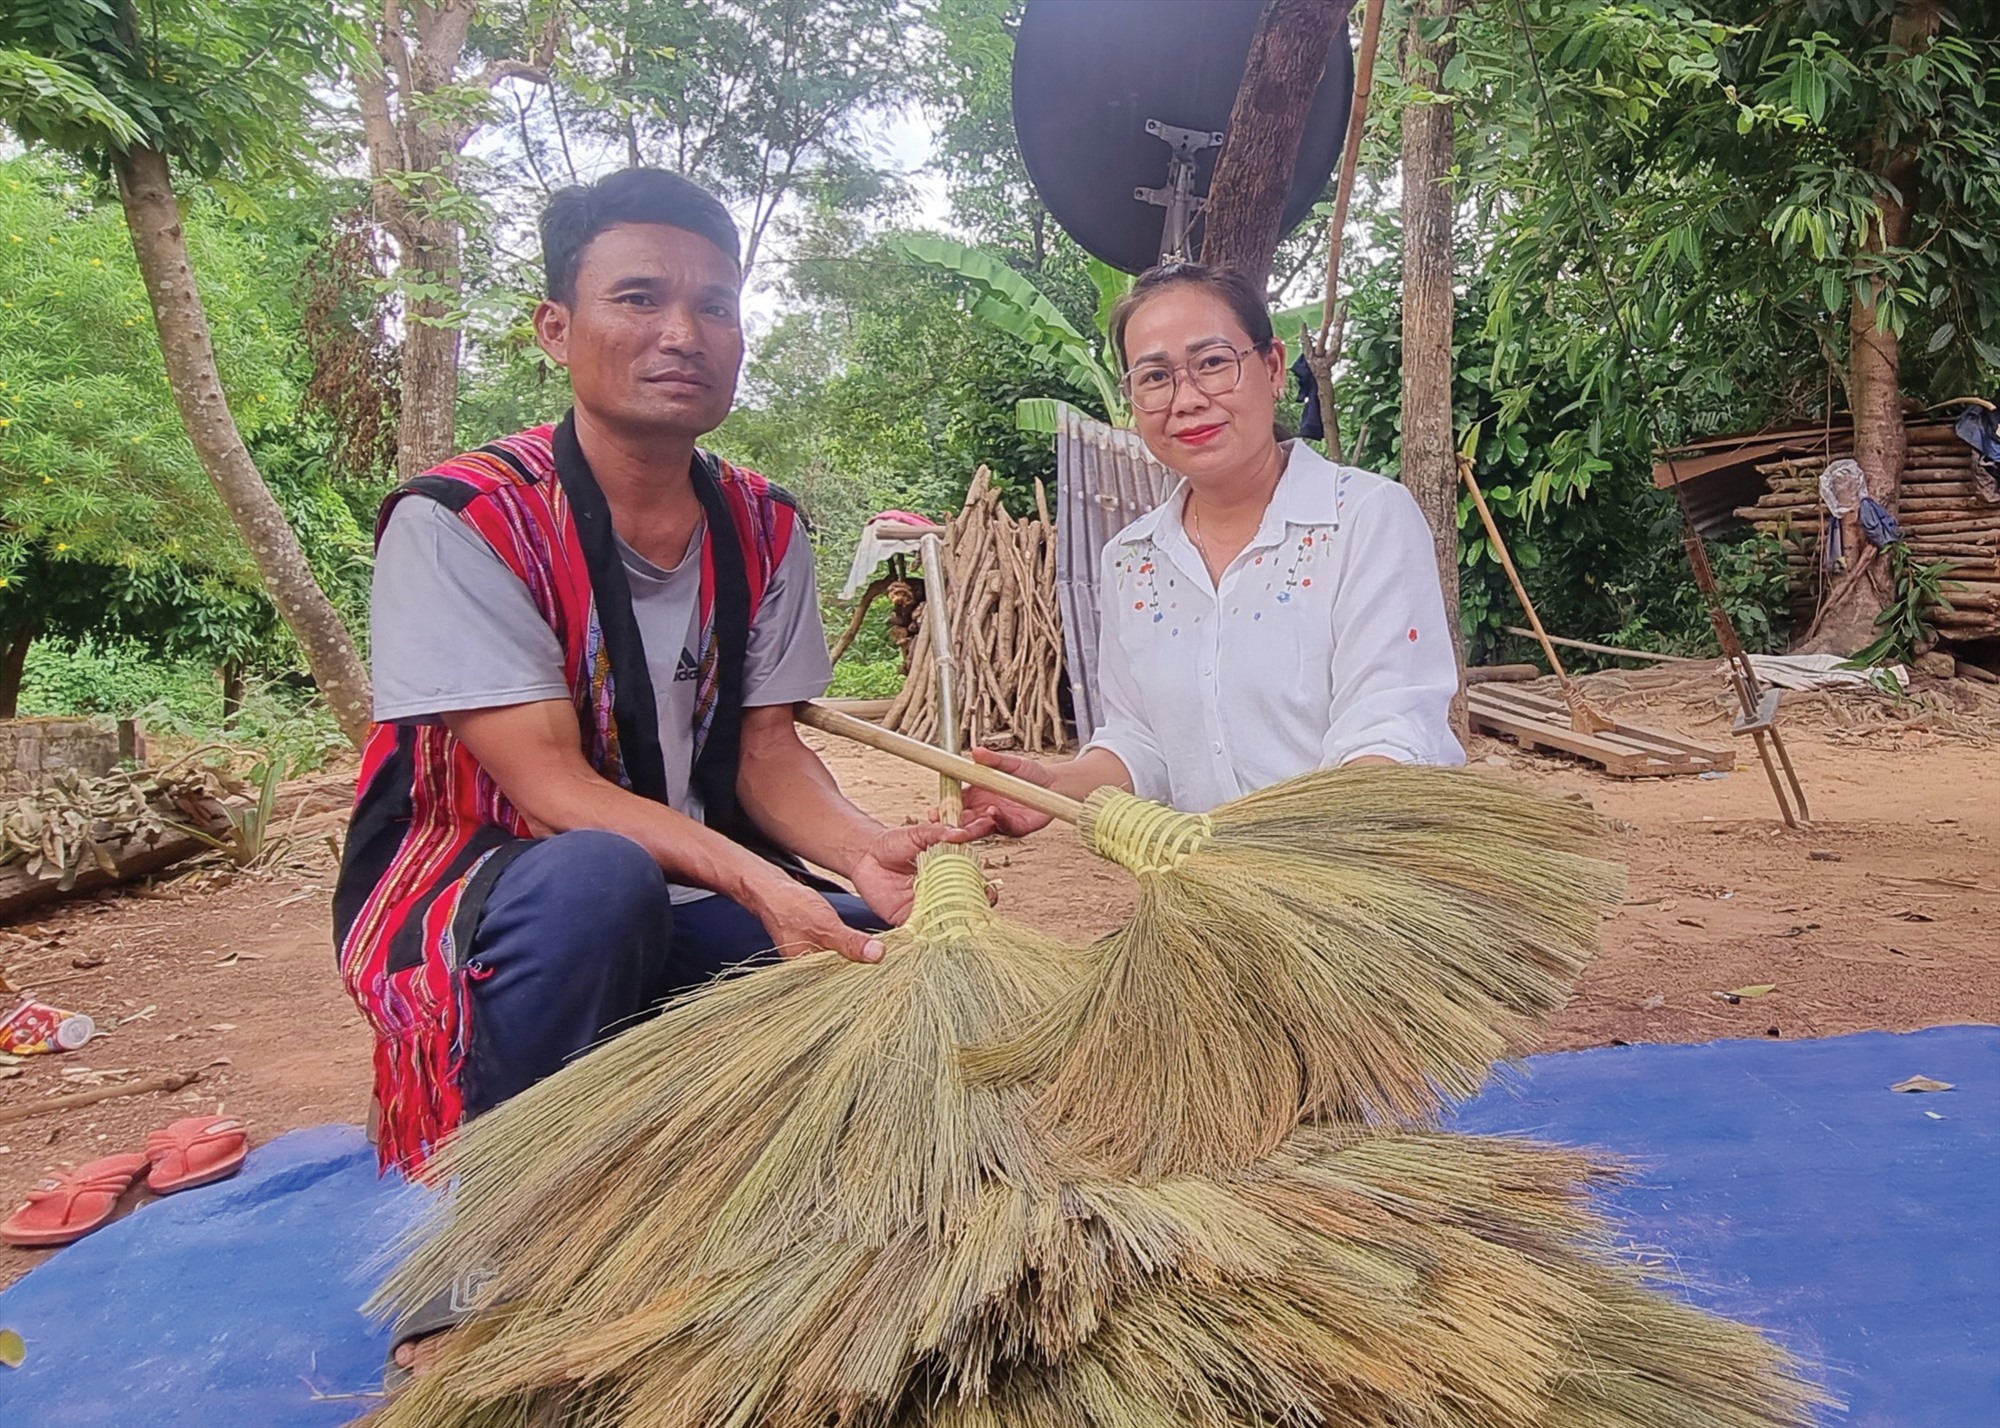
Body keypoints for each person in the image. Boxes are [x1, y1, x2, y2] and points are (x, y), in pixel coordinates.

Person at [333, 168, 986, 1184]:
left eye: (713, 306)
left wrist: (863, 851)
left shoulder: (764, 527)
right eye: (638, 298)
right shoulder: (464, 522)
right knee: (601, 878)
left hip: (687, 891)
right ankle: (486, 1231)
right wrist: (767, 884)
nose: (682, 332)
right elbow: (552, 792)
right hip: (505, 898)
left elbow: (767, 755)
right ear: (556, 328)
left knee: (890, 964)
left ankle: (697, 1188)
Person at [965, 261, 1464, 834]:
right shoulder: (1132, 558)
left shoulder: (1364, 518)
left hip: (1364, 879)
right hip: (1212, 900)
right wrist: (1055, 788)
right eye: (1154, 378)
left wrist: (1297, 865)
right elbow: (1141, 743)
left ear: (1273, 367)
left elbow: (1390, 726)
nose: (1186, 399)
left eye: (1212, 363)